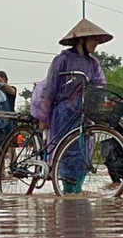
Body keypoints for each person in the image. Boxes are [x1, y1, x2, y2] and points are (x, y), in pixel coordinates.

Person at [40, 19, 110, 194]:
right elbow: (50, 88)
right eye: (93, 41)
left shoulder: (94, 63)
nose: (96, 45)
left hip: (84, 112)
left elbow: (100, 84)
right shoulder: (61, 60)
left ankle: (76, 193)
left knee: (83, 153)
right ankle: (68, 190)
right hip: (64, 112)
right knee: (67, 152)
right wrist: (44, 116)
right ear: (81, 41)